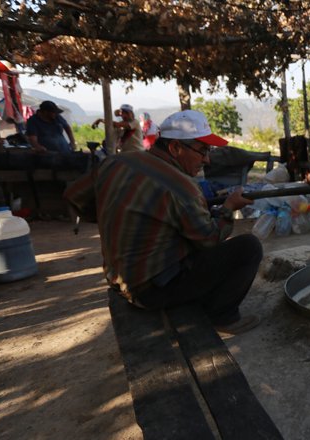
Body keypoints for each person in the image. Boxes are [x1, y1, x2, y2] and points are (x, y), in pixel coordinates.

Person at [94, 109, 262, 335]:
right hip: (149, 291)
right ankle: (223, 317)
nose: (207, 159)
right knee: (248, 247)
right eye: (202, 151)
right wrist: (229, 208)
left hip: (119, 280)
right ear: (175, 148)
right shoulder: (181, 187)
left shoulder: (116, 162)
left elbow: (81, 199)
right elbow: (211, 240)